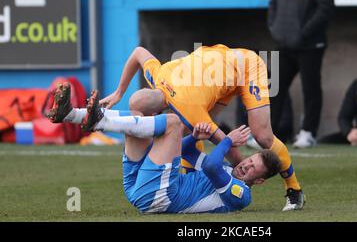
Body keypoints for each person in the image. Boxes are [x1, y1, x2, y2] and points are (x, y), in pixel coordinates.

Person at [83, 44, 304, 211]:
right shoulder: (158, 75)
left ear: (155, 111)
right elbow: (139, 53)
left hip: (247, 66)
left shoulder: (191, 108)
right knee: (186, 129)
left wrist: (234, 149)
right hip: (217, 68)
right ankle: (96, 118)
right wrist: (119, 93)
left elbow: (224, 148)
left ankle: (293, 189)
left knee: (262, 136)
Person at [47, 83, 282, 214]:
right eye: (250, 160)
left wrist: (227, 140)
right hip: (141, 187)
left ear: (259, 181)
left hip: (161, 197)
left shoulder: (242, 195)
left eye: (252, 169)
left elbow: (210, 165)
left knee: (173, 123)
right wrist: (196, 137)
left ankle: (97, 121)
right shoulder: (227, 169)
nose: (245, 165)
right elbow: (188, 152)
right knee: (137, 118)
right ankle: (71, 114)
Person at [268, 0, 334, 148]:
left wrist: (303, 33)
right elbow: (273, 5)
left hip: (310, 45)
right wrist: (275, 28)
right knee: (273, 87)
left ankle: (308, 132)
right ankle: (269, 135)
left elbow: (325, 10)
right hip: (284, 44)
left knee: (310, 89)